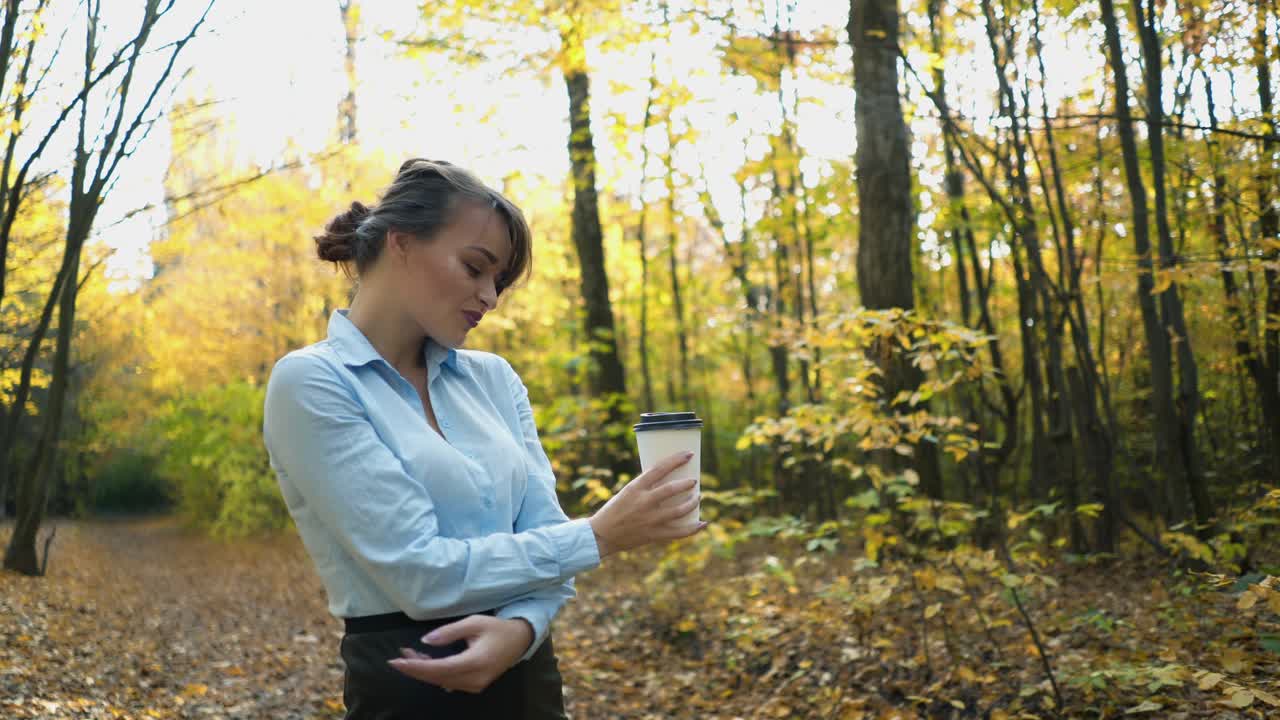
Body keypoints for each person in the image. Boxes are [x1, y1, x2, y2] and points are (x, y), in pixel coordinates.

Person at [261, 158, 705, 719]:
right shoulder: (313, 381)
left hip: (531, 677)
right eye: (475, 268)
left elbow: (544, 534)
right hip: (410, 686)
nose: (490, 296)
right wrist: (599, 534)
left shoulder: (495, 380)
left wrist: (521, 631)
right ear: (401, 243)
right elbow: (419, 575)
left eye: (498, 280)